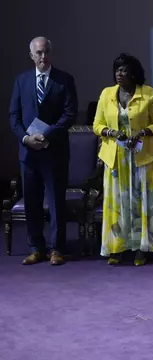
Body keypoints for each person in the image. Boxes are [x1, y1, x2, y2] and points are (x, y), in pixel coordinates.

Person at [9, 36, 78, 266]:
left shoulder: (64, 80)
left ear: (51, 53)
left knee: (57, 202)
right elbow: (14, 116)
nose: (43, 56)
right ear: (31, 55)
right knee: (32, 201)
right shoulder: (21, 81)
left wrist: (46, 135)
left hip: (54, 151)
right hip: (28, 153)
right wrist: (27, 138)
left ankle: (57, 248)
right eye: (38, 53)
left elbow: (69, 114)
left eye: (46, 51)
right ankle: (35, 248)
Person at [93, 53, 153, 266]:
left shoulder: (148, 93)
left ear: (134, 73)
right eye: (117, 69)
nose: (119, 73)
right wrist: (112, 133)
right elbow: (96, 125)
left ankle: (141, 248)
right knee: (117, 204)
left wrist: (142, 132)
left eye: (124, 70)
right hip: (116, 159)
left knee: (141, 203)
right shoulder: (107, 94)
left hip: (142, 158)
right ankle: (116, 248)